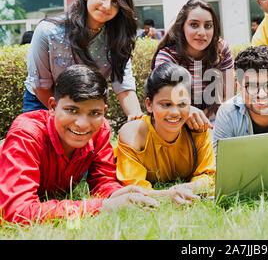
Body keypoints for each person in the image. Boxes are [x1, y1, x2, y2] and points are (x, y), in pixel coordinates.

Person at [0, 65, 159, 225]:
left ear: (104, 111)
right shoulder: (27, 133)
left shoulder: (101, 129)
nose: (83, 124)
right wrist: (101, 207)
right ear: (53, 107)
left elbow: (103, 180)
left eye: (94, 113)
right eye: (72, 110)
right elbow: (15, 212)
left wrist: (120, 196)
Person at [23, 0, 143, 121]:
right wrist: (71, 116)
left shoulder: (117, 38)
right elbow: (41, 87)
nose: (107, 6)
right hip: (43, 101)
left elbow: (124, 86)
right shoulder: (48, 31)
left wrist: (136, 117)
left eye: (115, 2)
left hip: (88, 107)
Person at [115, 62, 216, 205]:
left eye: (182, 104)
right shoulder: (134, 134)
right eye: (166, 104)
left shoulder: (197, 128)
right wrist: (168, 195)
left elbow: (209, 176)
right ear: (149, 104)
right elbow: (133, 189)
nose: (174, 113)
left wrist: (185, 188)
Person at [151, 0, 235, 124]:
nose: (202, 32)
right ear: (182, 27)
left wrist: (213, 118)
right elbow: (165, 101)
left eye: (208, 26)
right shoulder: (167, 56)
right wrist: (188, 111)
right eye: (194, 25)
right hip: (175, 120)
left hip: (213, 119)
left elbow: (228, 99)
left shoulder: (221, 48)